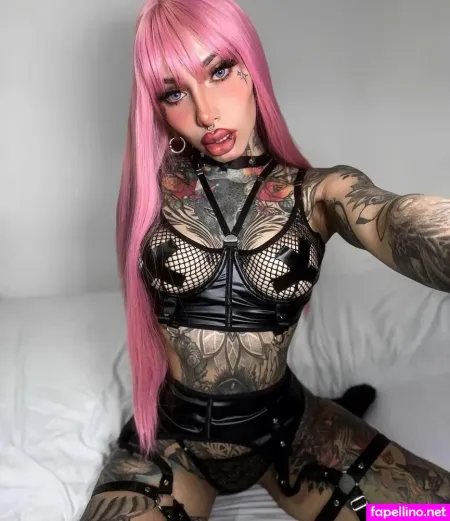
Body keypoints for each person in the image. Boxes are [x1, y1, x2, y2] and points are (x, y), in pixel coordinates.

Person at [80, 1, 450, 520]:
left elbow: (391, 218)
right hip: (173, 447)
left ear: (251, 66)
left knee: (436, 512)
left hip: (293, 434)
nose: (206, 113)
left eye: (219, 71)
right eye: (174, 93)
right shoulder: (149, 198)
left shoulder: (318, 192)